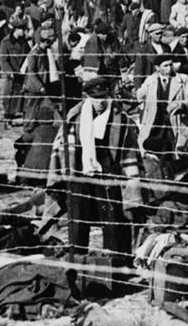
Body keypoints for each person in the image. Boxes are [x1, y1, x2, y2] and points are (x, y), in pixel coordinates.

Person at [49, 76, 142, 259]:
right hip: (80, 173)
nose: (100, 102)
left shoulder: (120, 119)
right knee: (78, 219)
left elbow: (130, 151)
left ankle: (117, 262)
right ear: (87, 97)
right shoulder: (75, 117)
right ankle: (77, 259)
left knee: (114, 220)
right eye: (95, 98)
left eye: (103, 97)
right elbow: (61, 149)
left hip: (108, 173)